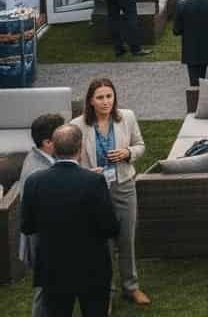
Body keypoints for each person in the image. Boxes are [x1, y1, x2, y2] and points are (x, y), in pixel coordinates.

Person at [20, 123, 120, 317]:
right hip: (92, 269)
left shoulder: (34, 181)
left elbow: (27, 226)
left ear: (54, 148)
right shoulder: (94, 182)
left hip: (52, 269)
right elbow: (110, 227)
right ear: (80, 148)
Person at [70, 78, 149, 307]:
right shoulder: (77, 125)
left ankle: (131, 286)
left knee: (127, 238)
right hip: (94, 192)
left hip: (124, 185)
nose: (106, 102)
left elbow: (140, 145)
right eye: (100, 97)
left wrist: (127, 152)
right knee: (101, 243)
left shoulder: (127, 117)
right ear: (91, 101)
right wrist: (86, 172)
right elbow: (69, 158)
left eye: (109, 96)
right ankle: (106, 292)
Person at [19, 113, 64, 317]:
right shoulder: (37, 173)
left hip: (43, 242)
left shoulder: (42, 159)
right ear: (47, 142)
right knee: (45, 294)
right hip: (42, 244)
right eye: (61, 136)